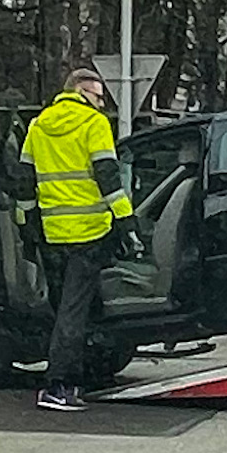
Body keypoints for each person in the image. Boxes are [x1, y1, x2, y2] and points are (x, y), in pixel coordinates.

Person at [18, 67, 142, 412]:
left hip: (53, 234)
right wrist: (127, 221)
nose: (102, 103)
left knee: (66, 308)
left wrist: (27, 225)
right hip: (90, 232)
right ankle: (59, 385)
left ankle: (89, 367)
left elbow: (23, 181)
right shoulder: (94, 124)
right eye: (98, 96)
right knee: (73, 311)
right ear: (80, 91)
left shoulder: (39, 125)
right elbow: (108, 177)